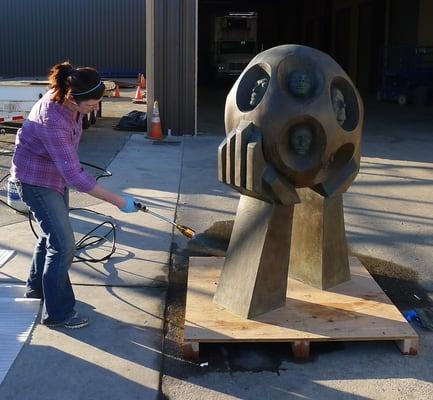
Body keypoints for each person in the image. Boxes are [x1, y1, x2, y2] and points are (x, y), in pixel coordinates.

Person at [10, 61, 138, 329]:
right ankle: (58, 313)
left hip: (53, 178)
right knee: (63, 245)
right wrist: (119, 202)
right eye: (91, 105)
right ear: (72, 98)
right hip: (35, 181)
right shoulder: (53, 120)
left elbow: (68, 169)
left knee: (51, 237)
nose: (95, 108)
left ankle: (37, 289)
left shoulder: (70, 99)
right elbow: (76, 178)